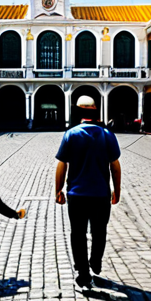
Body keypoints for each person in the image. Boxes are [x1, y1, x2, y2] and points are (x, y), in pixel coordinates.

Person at [55, 96, 122, 289]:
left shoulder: (71, 134)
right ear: (95, 110)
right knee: (99, 231)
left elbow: (62, 164)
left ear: (78, 112)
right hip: (101, 195)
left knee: (78, 234)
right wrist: (116, 190)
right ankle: (96, 261)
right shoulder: (107, 134)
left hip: (76, 196)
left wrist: (58, 190)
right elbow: (115, 166)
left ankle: (83, 272)